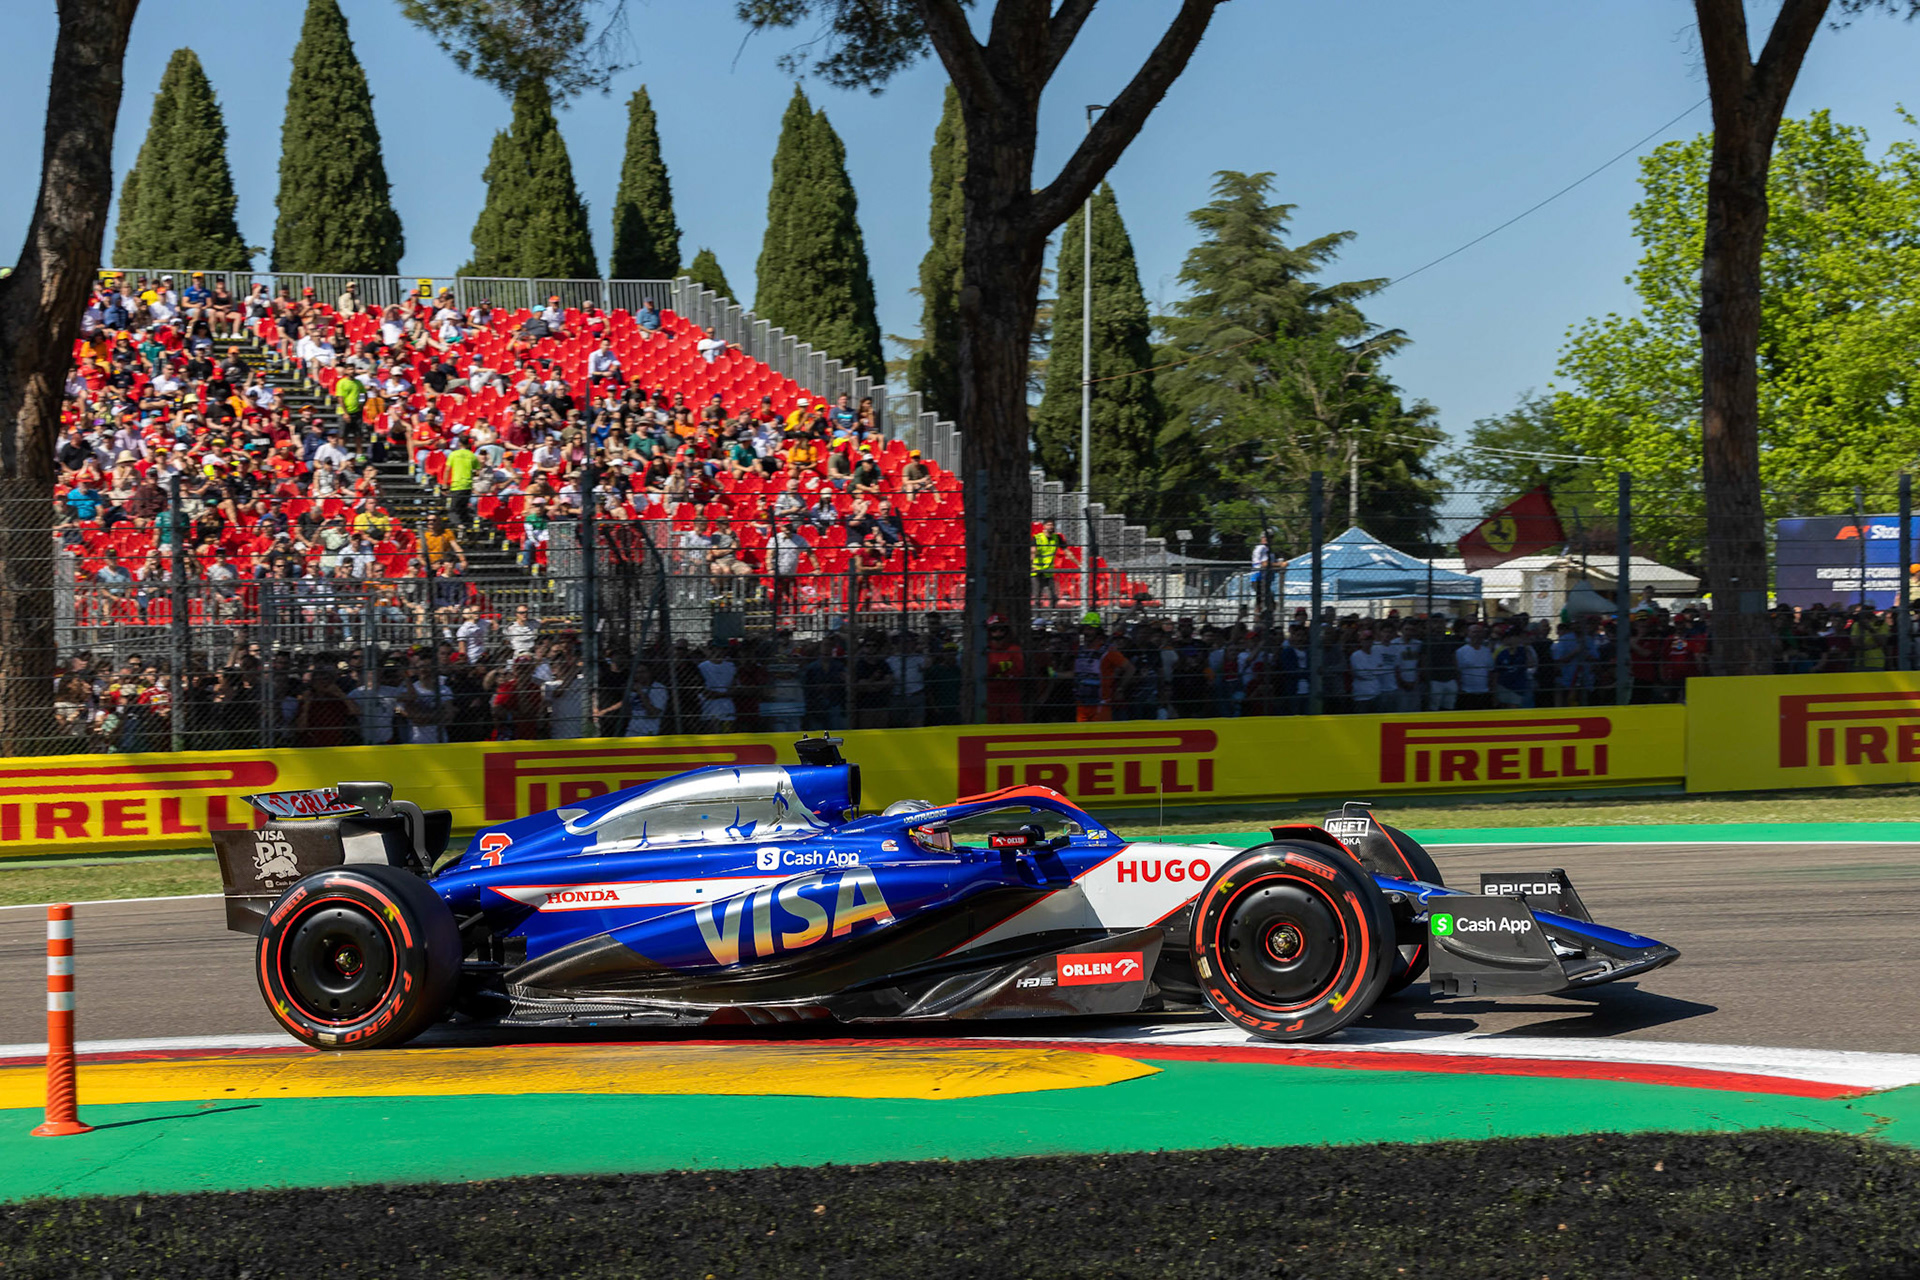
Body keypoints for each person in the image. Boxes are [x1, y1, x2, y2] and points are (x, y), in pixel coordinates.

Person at [984, 615, 1025, 723]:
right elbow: (986, 672)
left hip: (1010, 694)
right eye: (994, 629)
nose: (998, 633)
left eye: (1001, 629)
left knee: (1014, 723)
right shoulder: (984, 651)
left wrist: (996, 670)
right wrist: (1004, 666)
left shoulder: (1014, 650)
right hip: (990, 695)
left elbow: (1018, 672)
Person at [1454, 623, 1496, 710]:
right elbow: (1457, 672)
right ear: (1468, 633)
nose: (1477, 634)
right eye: (1474, 632)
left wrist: (1492, 690)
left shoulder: (1487, 651)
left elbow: (1491, 671)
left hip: (1484, 692)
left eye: (1480, 632)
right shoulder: (1460, 651)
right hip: (1467, 692)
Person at [1032, 518, 1064, 607]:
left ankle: (1051, 614)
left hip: (1049, 571)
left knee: (1053, 595)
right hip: (1037, 570)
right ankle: (1037, 615)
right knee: (1037, 594)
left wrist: (1079, 564)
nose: (1051, 527)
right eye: (1049, 525)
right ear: (1044, 526)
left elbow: (1067, 551)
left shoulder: (1056, 538)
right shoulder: (1037, 538)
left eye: (1052, 525)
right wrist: (1031, 565)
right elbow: (1033, 552)